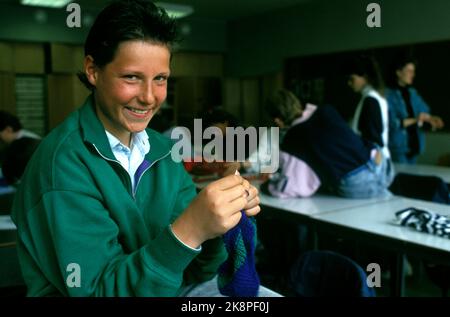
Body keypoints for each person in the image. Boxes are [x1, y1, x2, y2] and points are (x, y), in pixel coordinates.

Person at [11, 0, 278, 297]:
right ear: (92, 70)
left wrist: (216, 223)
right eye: (132, 77)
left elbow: (195, 271)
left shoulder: (163, 150)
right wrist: (188, 231)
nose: (149, 97)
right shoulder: (62, 165)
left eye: (160, 79)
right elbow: (98, 292)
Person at [261, 89, 394, 199]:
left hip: (353, 182)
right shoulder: (325, 110)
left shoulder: (293, 139)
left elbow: (296, 186)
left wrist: (268, 187)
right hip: (378, 161)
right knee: (385, 199)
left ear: (277, 121)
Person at [386, 54, 444, 164]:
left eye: (413, 71)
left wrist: (432, 119)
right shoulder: (389, 95)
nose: (412, 74)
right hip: (398, 149)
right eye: (409, 71)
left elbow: (424, 111)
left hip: (414, 148)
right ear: (398, 72)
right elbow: (391, 123)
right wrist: (416, 119)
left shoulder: (413, 94)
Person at [347, 55, 390, 159]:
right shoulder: (375, 96)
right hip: (376, 160)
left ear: (364, 77)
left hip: (374, 162)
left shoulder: (370, 100)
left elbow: (374, 140)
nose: (349, 83)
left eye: (352, 79)